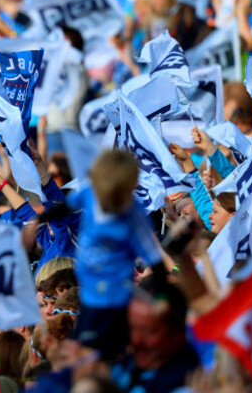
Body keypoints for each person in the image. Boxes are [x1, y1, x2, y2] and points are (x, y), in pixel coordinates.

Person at [67, 150, 166, 361]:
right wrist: (37, 221)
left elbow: (155, 261)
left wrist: (161, 298)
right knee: (81, 356)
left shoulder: (134, 215)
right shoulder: (88, 194)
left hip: (115, 301)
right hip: (88, 295)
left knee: (106, 357)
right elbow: (63, 208)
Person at [112, 276, 200, 393]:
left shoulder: (187, 384)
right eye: (132, 327)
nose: (136, 340)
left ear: (179, 333)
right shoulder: (128, 360)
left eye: (147, 331)